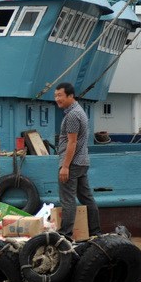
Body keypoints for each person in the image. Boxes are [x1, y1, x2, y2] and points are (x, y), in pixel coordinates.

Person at [54, 82, 101, 239]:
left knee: (67, 199)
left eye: (60, 95)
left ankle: (65, 235)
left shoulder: (73, 115)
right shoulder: (79, 111)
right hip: (82, 162)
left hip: (72, 163)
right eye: (56, 96)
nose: (57, 99)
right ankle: (95, 232)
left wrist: (65, 166)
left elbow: (72, 142)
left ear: (70, 96)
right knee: (86, 197)